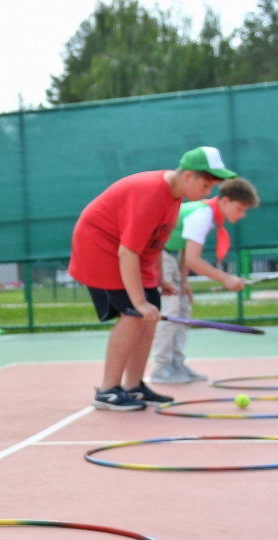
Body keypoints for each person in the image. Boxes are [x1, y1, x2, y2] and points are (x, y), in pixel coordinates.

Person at [68, 147, 235, 411]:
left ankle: (134, 386)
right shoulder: (151, 194)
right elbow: (128, 251)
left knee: (151, 313)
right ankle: (107, 391)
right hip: (101, 247)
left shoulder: (175, 196)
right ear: (188, 176)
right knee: (134, 313)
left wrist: (159, 280)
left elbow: (154, 239)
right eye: (206, 185)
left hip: (128, 252)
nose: (208, 193)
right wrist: (138, 302)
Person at [150, 177, 260, 384]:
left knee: (183, 307)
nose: (242, 214)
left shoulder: (207, 215)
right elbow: (193, 259)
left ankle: (176, 364)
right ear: (225, 201)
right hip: (157, 253)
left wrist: (184, 283)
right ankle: (161, 367)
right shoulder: (202, 215)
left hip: (169, 254)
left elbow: (185, 249)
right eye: (240, 208)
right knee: (170, 310)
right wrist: (226, 279)